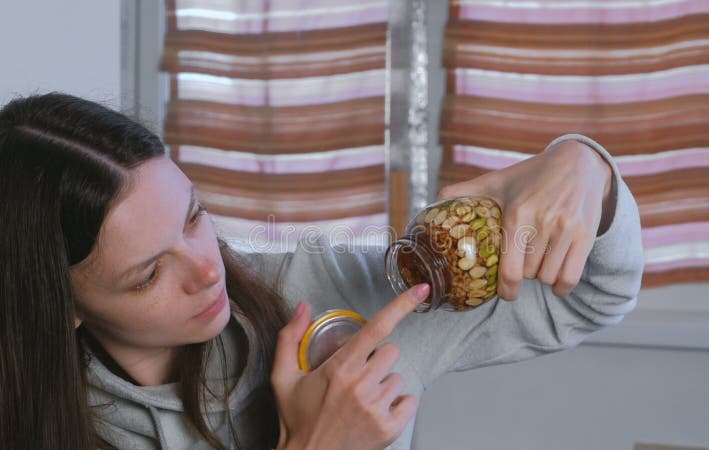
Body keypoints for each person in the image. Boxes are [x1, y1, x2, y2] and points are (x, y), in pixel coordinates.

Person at [0, 92, 644, 450]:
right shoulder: (37, 423)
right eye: (147, 275)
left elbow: (590, 297)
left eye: (194, 217)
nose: (207, 270)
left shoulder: (319, 299)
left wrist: (588, 168)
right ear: (62, 305)